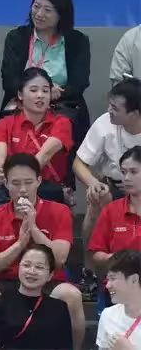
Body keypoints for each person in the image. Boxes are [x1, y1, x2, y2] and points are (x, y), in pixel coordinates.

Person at [0, 153, 84, 350]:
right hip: (8, 281)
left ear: (39, 181)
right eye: (16, 183)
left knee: (72, 296)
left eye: (28, 182)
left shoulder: (60, 211)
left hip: (49, 281)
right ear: (6, 184)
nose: (23, 189)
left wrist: (33, 228)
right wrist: (19, 244)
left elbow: (60, 259)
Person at [1, 0, 91, 149]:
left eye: (48, 10)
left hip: (62, 103)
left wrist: (52, 95)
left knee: (64, 125)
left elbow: (79, 83)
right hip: (22, 102)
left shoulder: (77, 41)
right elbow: (9, 80)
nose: (39, 14)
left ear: (62, 14)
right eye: (36, 6)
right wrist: (39, 93)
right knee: (10, 120)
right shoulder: (16, 37)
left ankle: (52, 165)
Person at [74, 78, 141, 291]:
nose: (109, 111)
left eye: (115, 108)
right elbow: (79, 163)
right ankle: (90, 270)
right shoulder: (105, 123)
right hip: (113, 185)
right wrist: (93, 183)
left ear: (134, 113)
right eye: (109, 105)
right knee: (97, 198)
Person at [0, 67, 73, 206]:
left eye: (45, 91)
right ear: (20, 95)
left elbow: (43, 156)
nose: (40, 95)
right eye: (33, 90)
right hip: (13, 187)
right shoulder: (5, 123)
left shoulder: (62, 122)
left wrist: (20, 178)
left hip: (46, 189)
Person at [0, 244, 73, 350]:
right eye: (26, 265)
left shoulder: (59, 308)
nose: (31, 271)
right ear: (19, 268)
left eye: (39, 267)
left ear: (50, 275)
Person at [89, 146, 141, 271]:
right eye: (124, 172)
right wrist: (117, 258)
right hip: (120, 278)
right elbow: (96, 253)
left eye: (133, 172)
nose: (126, 178)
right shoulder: (112, 210)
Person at [97, 250, 141, 350]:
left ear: (134, 280)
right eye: (108, 279)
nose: (107, 285)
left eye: (113, 278)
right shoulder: (108, 315)